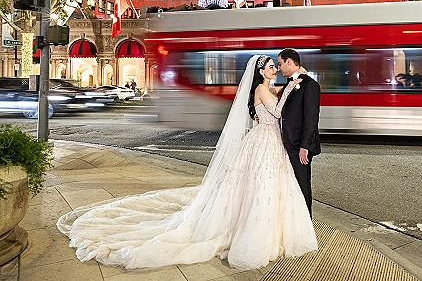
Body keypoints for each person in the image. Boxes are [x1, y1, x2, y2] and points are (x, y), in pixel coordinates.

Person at [56, 55, 317, 270]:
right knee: (263, 184)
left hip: (269, 139)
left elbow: (278, 100)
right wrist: (294, 86)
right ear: (261, 71)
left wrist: (291, 85)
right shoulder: (262, 88)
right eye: (272, 66)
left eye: (276, 65)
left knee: (265, 184)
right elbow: (280, 111)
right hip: (265, 140)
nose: (275, 69)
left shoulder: (268, 88)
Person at [277, 48, 321, 217]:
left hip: (298, 146)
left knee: (302, 185)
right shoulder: (289, 84)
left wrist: (304, 146)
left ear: (289, 61)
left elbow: (311, 119)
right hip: (287, 143)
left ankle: (306, 222)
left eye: (280, 64)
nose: (279, 68)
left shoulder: (310, 85)